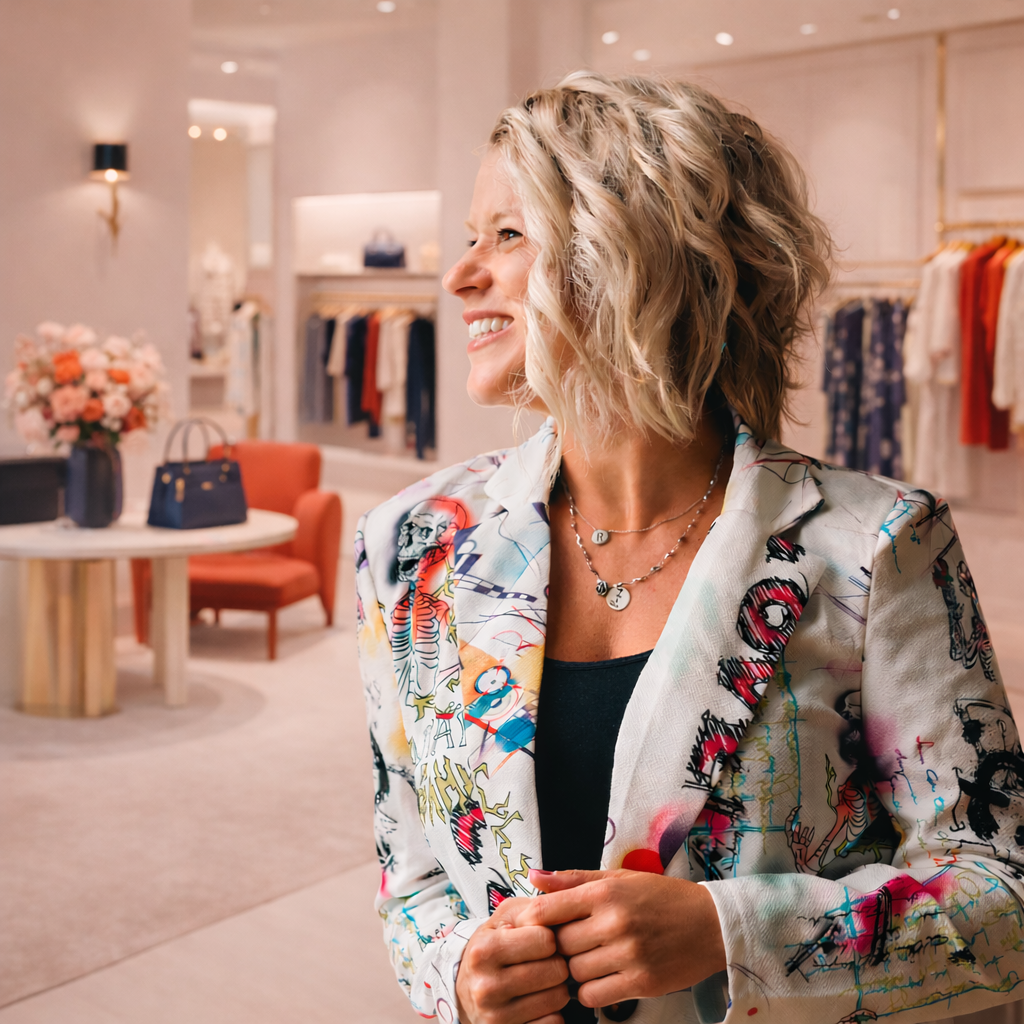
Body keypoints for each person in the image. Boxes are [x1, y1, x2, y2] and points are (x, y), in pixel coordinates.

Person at [355, 73, 1024, 1024]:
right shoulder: (411, 546)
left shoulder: (874, 548)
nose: (463, 276)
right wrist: (459, 971)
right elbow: (409, 875)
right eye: (472, 238)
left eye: (509, 235)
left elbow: (1002, 898)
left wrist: (730, 931)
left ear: (636, 254)